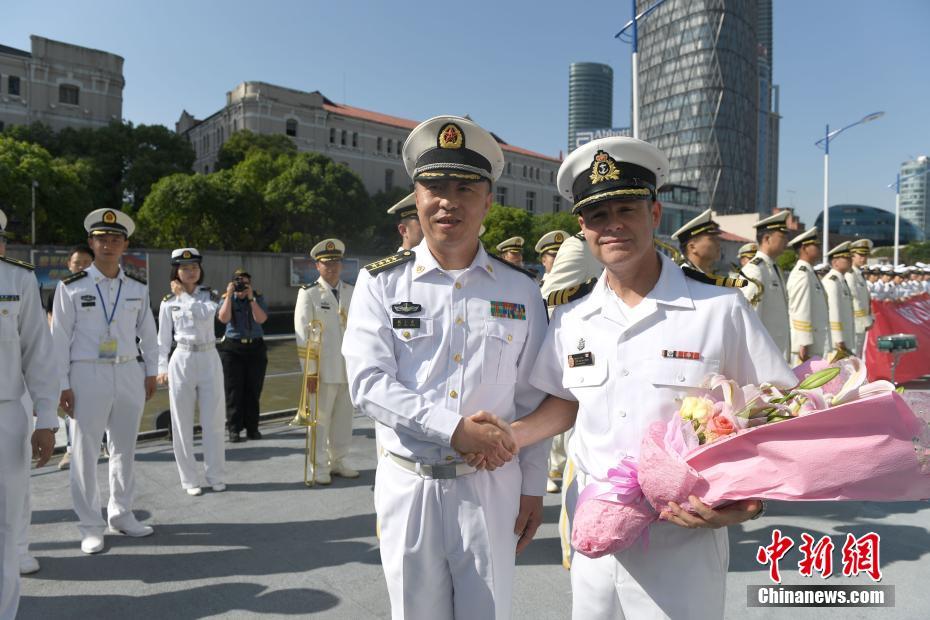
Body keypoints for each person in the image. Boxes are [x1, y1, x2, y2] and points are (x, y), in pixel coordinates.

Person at [476, 136, 795, 619]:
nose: (614, 226)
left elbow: (776, 412)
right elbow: (565, 402)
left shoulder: (718, 309)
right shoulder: (571, 317)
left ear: (655, 214)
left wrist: (748, 501)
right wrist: (511, 437)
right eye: (598, 216)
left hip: (682, 536)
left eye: (626, 208)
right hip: (595, 531)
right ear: (582, 228)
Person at [343, 115, 549, 620]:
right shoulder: (380, 284)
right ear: (416, 195)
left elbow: (534, 396)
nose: (447, 201)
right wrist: (453, 429)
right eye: (434, 186)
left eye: (465, 187)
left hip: (490, 487)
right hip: (409, 485)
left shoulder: (520, 290)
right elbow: (367, 384)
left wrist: (532, 486)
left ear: (488, 200)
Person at [51, 208, 157, 555]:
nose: (108, 245)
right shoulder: (70, 288)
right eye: (101, 239)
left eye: (115, 239)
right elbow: (59, 339)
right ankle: (90, 526)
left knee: (124, 449)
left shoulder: (137, 288)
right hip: (87, 372)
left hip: (128, 371)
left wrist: (151, 371)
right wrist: (62, 384)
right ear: (91, 243)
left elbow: (148, 334)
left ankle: (121, 513)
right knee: (84, 451)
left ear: (125, 244)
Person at [0, 231, 58, 619]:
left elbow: (38, 352)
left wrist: (47, 419)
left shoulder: (17, 280)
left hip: (6, 412)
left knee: (5, 523)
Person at [156, 248, 226, 496]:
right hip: (182, 357)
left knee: (214, 420)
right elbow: (163, 339)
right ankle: (189, 479)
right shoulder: (168, 302)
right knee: (181, 422)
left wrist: (184, 298)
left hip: (208, 356)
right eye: (185, 268)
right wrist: (161, 367)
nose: (190, 272)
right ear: (176, 271)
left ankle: (215, 475)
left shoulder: (210, 295)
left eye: (194, 267)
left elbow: (206, 315)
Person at [294, 238, 358, 485]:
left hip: (348, 368)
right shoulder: (308, 293)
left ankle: (339, 460)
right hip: (321, 370)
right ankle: (318, 465)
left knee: (344, 419)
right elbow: (302, 337)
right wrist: (309, 373)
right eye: (326, 263)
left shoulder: (352, 292)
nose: (332, 267)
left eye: (336, 263)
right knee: (319, 422)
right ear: (317, 266)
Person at [48, 245, 95, 471]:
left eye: (87, 263)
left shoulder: (104, 288)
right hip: (70, 359)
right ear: (69, 265)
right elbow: (54, 327)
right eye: (78, 263)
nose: (82, 267)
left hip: (97, 360)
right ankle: (70, 450)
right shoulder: (62, 290)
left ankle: (102, 445)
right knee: (71, 408)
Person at [533, 229, 571, 493]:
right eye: (551, 255)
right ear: (543, 260)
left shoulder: (578, 288)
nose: (556, 259)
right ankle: (545, 470)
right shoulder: (535, 289)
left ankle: (559, 464)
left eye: (561, 254)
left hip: (570, 358)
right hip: (542, 361)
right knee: (544, 422)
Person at [217, 268, 269, 442]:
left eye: (245, 283)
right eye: (238, 282)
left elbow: (261, 319)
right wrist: (230, 294)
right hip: (232, 349)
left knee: (253, 390)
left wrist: (251, 298)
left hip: (255, 348)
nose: (242, 285)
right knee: (233, 391)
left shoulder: (257, 297)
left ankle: (252, 429)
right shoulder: (227, 298)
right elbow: (223, 318)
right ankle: (234, 430)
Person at [740, 211, 791, 361]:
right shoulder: (755, 269)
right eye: (782, 237)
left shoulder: (773, 267)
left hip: (776, 350)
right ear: (767, 239)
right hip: (763, 356)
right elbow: (749, 318)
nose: (786, 242)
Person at [785, 227, 831, 364]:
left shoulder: (810, 272)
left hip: (814, 342)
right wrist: (803, 343)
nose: (819, 248)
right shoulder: (802, 274)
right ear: (804, 248)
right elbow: (800, 309)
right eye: (816, 245)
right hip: (805, 347)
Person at [822, 241, 856, 356]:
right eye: (846, 258)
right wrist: (838, 338)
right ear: (835, 262)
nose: (850, 261)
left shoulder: (841, 280)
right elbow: (833, 311)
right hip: (836, 341)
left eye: (850, 258)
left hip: (845, 336)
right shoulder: (832, 281)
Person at [671, 208, 722, 274]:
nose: (718, 244)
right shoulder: (677, 274)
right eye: (712, 239)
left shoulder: (711, 276)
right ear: (692, 247)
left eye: (718, 239)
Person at [847, 239, 873, 356]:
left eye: (865, 255)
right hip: (855, 323)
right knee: (853, 359)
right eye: (860, 255)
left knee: (858, 356)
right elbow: (855, 300)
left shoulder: (859, 273)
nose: (864, 258)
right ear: (852, 255)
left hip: (860, 325)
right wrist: (866, 320)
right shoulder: (850, 274)